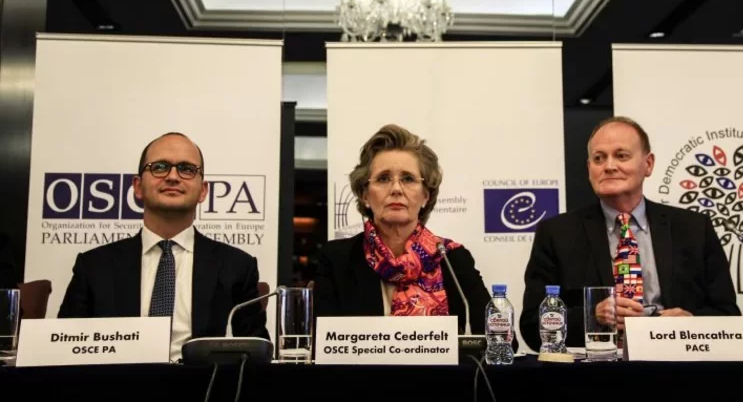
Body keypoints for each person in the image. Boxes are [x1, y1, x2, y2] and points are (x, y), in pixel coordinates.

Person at [520, 116, 739, 350]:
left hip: (677, 361)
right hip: (597, 366)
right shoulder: (557, 233)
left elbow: (729, 316)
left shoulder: (694, 228)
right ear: (589, 169)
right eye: (599, 158)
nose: (609, 166)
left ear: (648, 164)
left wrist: (691, 323)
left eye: (621, 156)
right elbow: (532, 325)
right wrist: (592, 316)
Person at [58, 132, 269, 361]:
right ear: (138, 186)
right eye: (159, 167)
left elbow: (257, 358)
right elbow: (63, 351)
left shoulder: (237, 266)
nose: (173, 177)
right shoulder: (93, 266)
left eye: (187, 169)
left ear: (203, 191)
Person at [315, 124, 491, 335]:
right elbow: (322, 343)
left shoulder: (451, 258)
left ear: (425, 196)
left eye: (408, 179)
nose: (396, 189)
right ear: (365, 196)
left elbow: (502, 341)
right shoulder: (337, 260)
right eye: (383, 178)